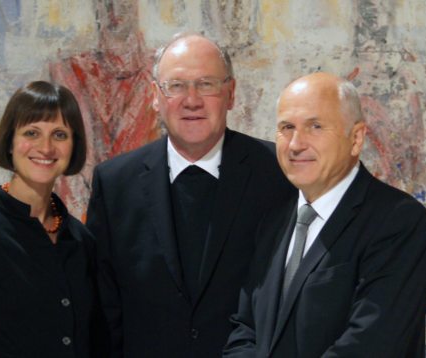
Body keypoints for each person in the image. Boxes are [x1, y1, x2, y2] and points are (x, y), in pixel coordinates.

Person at [86, 32, 295, 358]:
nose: (192, 99)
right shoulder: (114, 184)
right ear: (155, 96)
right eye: (176, 86)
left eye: (206, 84)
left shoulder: (280, 174)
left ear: (231, 93)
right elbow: (104, 309)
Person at [223, 72, 426, 357]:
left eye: (316, 126)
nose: (296, 143)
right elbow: (245, 329)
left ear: (356, 138)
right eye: (287, 127)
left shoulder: (398, 223)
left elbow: (371, 345)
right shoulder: (273, 222)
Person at [0, 81, 107, 357]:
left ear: (74, 145)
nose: (46, 147)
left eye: (60, 135)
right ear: (10, 141)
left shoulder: (81, 240)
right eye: (32, 132)